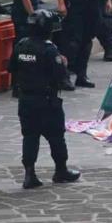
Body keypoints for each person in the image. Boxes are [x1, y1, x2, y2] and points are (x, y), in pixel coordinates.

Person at [8, 10, 81, 188]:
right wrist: (63, 63)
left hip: (26, 101)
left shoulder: (21, 46)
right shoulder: (49, 50)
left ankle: (29, 174)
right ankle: (61, 170)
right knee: (56, 137)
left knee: (30, 137)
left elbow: (12, 69)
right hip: (47, 101)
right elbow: (62, 79)